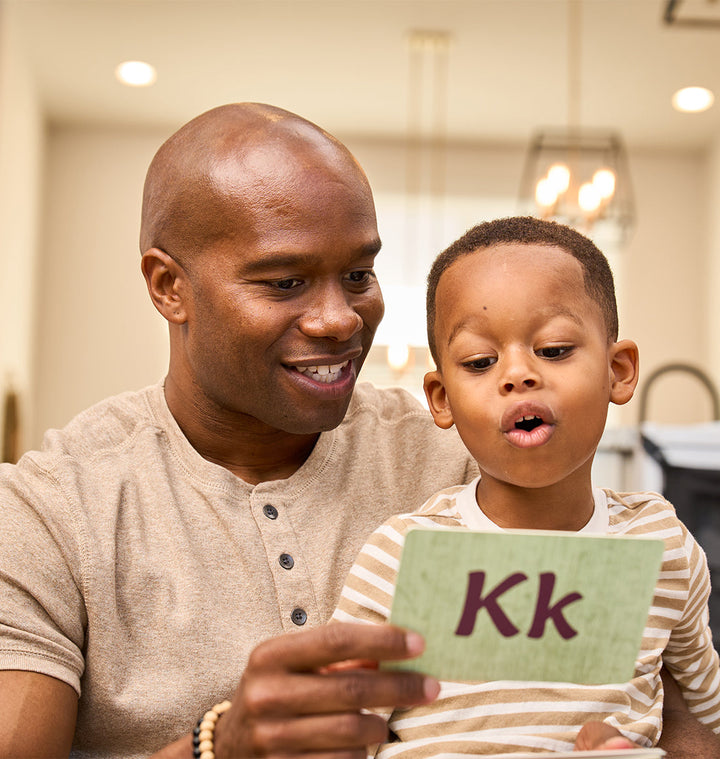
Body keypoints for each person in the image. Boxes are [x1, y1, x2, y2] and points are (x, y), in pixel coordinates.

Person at [0, 105, 715, 759]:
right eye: (283, 282)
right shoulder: (51, 513)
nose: (340, 319)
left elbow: (660, 700)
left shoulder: (473, 454)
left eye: (359, 273)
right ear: (168, 286)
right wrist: (216, 749)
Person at [333, 216, 720, 755]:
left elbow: (704, 719)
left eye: (555, 349)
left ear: (619, 371)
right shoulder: (402, 555)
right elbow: (334, 737)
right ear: (441, 399)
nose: (517, 374)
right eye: (480, 361)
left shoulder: (664, 543)